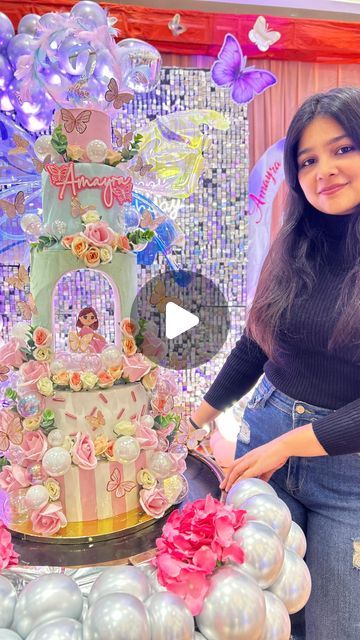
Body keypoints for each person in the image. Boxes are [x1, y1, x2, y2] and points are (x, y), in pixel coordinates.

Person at [190, 86, 360, 640]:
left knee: (337, 625)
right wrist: (191, 420)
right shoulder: (294, 242)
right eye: (308, 160)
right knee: (254, 621)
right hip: (264, 435)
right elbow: (258, 344)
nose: (324, 171)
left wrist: (287, 445)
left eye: (342, 149)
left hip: (346, 469)